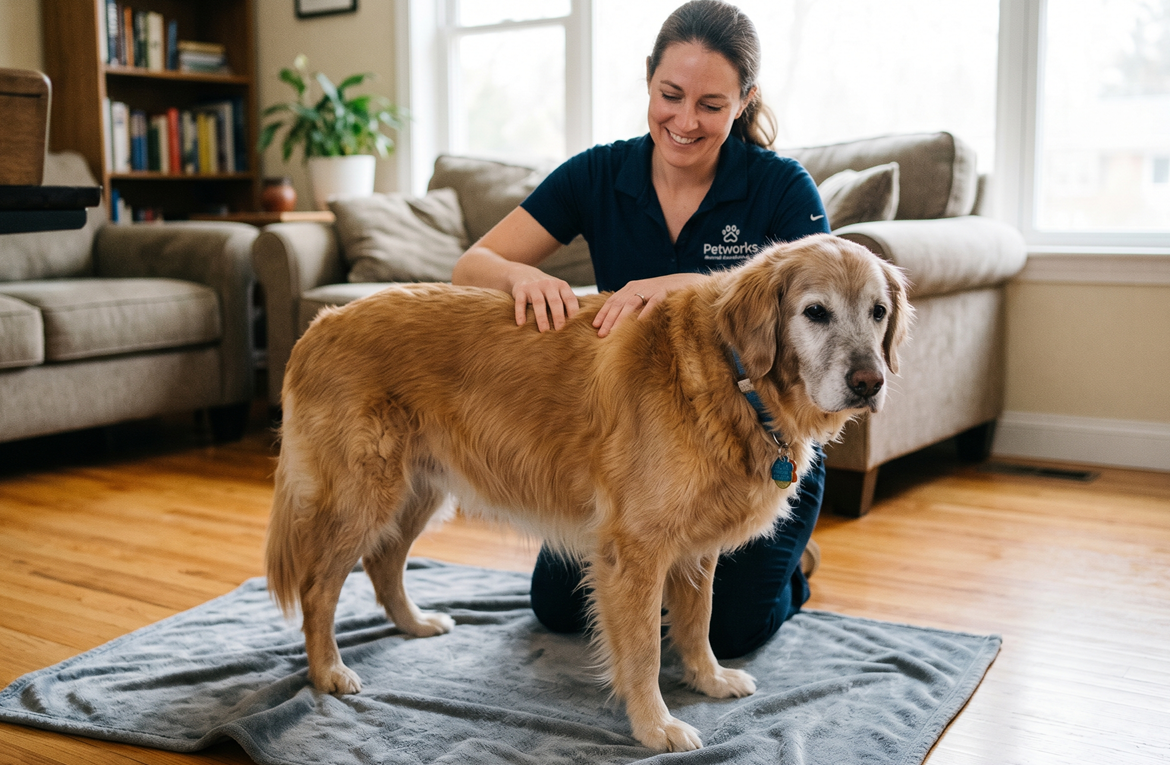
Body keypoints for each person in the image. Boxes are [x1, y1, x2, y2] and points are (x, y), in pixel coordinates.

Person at [451, 0, 828, 660]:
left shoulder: (780, 189)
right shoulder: (599, 173)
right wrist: (519, 279)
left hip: (751, 448)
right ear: (648, 81)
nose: (684, 121)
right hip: (635, 449)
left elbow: (815, 310)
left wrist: (677, 285)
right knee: (558, 609)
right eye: (670, 95)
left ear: (744, 102)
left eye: (710, 104)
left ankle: (791, 562)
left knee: (733, 630)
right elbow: (469, 267)